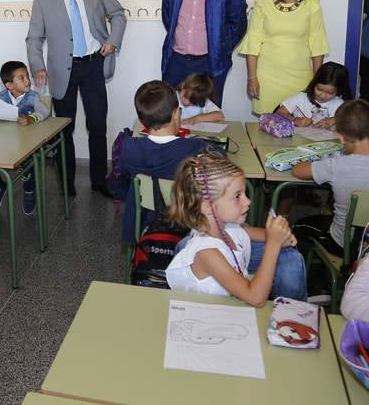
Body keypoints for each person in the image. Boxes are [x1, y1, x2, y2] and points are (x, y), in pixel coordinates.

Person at [26, 0, 127, 196]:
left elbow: (118, 15)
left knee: (97, 125)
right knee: (64, 128)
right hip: (63, 71)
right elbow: (34, 38)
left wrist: (113, 41)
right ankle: (66, 181)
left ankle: (99, 181)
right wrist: (38, 65)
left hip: (93, 64)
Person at [166, 153, 305, 305]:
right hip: (211, 318)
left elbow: (254, 233)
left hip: (231, 308)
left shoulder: (227, 228)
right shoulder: (207, 253)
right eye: (237, 196)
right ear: (207, 207)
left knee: (292, 257)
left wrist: (279, 236)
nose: (248, 201)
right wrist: (273, 243)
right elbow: (256, 298)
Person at [161, 0, 247, 105]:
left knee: (208, 118)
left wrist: (220, 47)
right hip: (176, 60)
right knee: (168, 111)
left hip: (210, 63)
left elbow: (238, 24)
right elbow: (168, 17)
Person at [239, 0, 330, 114]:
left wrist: (317, 82)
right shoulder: (262, 5)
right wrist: (252, 78)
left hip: (301, 79)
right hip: (267, 79)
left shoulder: (312, 5)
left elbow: (318, 46)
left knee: (302, 130)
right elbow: (253, 45)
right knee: (268, 130)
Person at [119, 80, 208, 241]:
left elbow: (124, 176)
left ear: (140, 119)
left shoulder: (129, 148)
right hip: (185, 222)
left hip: (143, 222)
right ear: (176, 114)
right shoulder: (195, 148)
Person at [291, 99, 369, 262]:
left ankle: (307, 279)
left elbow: (298, 170)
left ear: (341, 137)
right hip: (367, 244)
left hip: (344, 245)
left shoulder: (336, 165)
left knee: (299, 226)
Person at [0, 60, 50, 214]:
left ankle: (29, 190)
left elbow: (44, 111)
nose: (28, 81)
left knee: (29, 163)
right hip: (3, 142)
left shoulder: (32, 96)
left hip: (25, 143)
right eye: (21, 78)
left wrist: (31, 118)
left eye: (27, 76)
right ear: (9, 85)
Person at [276, 61, 351, 129]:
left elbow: (353, 122)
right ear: (314, 83)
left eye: (329, 93)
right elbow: (279, 113)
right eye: (319, 89)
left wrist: (335, 119)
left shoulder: (340, 104)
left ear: (339, 91)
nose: (322, 95)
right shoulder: (301, 98)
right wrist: (294, 120)